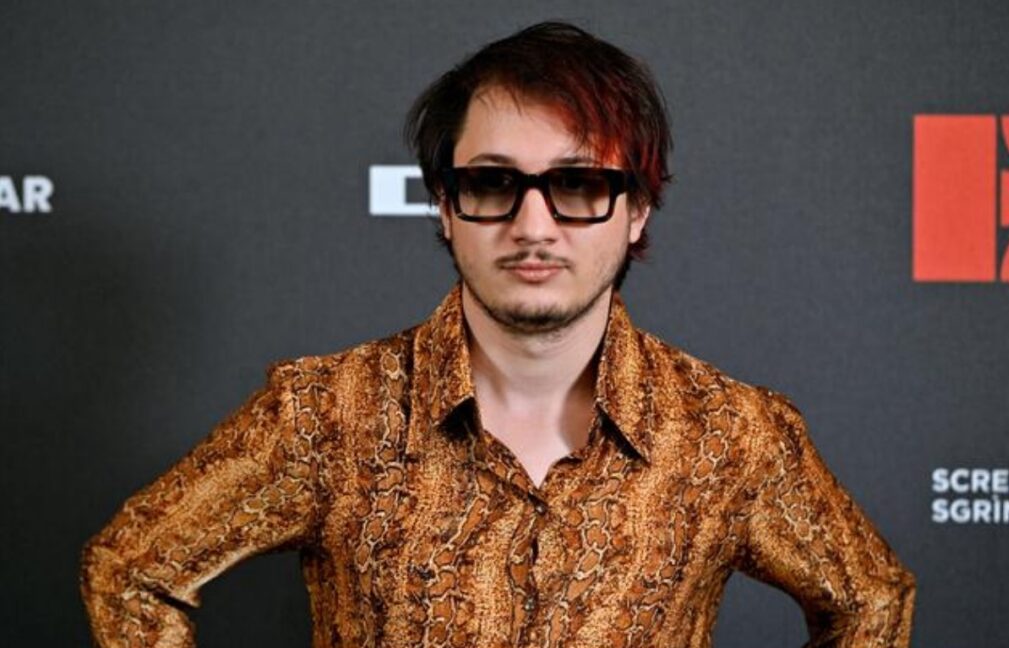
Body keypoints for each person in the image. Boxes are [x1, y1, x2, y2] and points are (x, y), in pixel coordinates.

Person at [80, 21, 916, 647]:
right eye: (492, 184)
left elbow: (872, 599)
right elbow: (131, 570)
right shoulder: (326, 411)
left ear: (637, 210)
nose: (533, 224)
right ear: (446, 207)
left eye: (578, 184)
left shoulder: (732, 435)